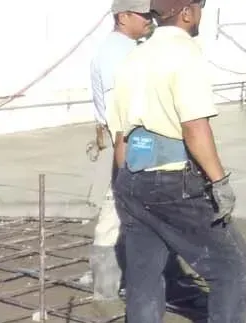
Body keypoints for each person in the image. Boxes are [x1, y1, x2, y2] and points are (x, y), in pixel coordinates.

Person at [106, 0, 246, 323]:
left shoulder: (133, 58)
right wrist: (219, 182)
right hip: (173, 178)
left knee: (144, 274)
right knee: (230, 260)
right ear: (186, 12)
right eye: (199, 7)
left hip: (131, 176)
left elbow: (120, 136)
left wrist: (125, 186)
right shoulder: (184, 54)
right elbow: (194, 128)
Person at [85, 0, 155, 300]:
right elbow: (120, 111)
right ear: (123, 16)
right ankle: (106, 288)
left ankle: (114, 283)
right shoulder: (116, 53)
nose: (150, 19)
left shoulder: (126, 48)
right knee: (114, 210)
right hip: (126, 141)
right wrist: (127, 160)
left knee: (121, 211)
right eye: (144, 14)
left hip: (128, 140)